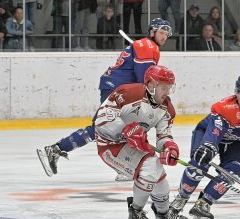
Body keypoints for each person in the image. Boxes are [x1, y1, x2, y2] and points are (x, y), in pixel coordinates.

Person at [37, 18, 172, 177]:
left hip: (116, 86)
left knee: (117, 127)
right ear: (152, 32)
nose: (164, 37)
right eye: (161, 32)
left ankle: (123, 166)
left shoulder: (144, 45)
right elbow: (145, 80)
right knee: (113, 127)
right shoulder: (149, 47)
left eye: (166, 34)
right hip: (118, 89)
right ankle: (57, 149)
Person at [168, 74, 240, 219]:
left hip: (238, 141)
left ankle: (204, 204)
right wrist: (208, 146)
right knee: (199, 164)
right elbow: (215, 132)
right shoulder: (225, 108)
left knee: (233, 172)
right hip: (208, 134)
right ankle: (181, 199)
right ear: (237, 92)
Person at [95, 65, 190, 219]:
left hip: (133, 146)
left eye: (170, 87)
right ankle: (136, 213)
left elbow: (164, 136)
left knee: (157, 172)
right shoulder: (127, 93)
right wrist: (124, 130)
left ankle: (162, 213)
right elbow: (100, 120)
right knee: (150, 167)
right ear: (151, 85)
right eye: (163, 87)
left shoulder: (167, 109)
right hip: (110, 146)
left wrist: (169, 148)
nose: (167, 92)